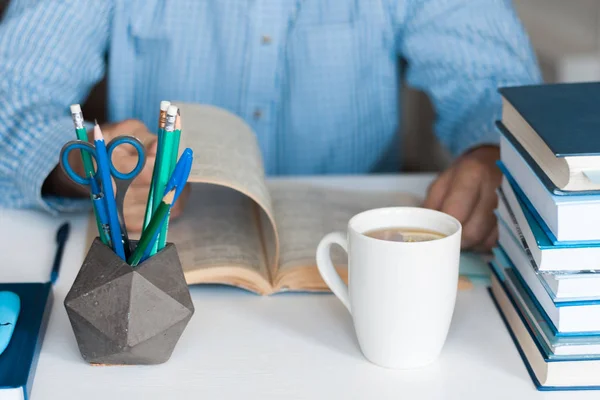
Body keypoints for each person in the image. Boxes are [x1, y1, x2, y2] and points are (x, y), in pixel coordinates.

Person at [0, 0, 541, 251]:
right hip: (149, 274)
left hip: (355, 288)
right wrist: (88, 167)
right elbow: (12, 97)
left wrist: (495, 156)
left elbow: (499, 92)